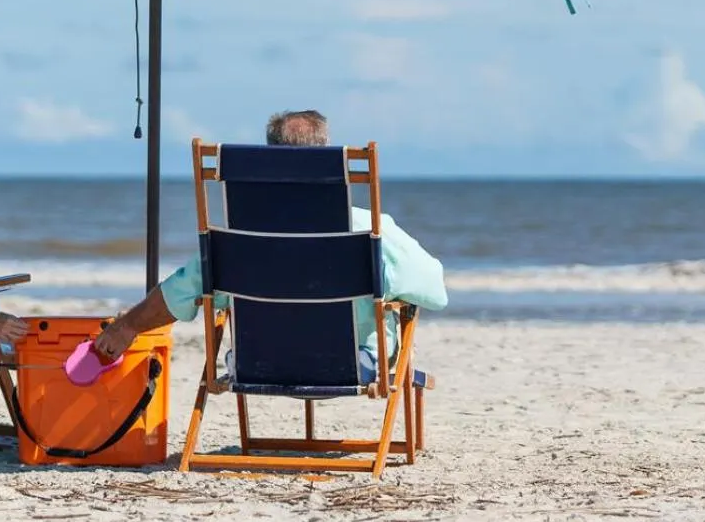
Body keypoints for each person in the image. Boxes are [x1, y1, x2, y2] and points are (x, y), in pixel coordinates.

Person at [93, 110, 447, 373]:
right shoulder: (367, 228)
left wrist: (127, 327)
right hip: (351, 364)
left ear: (270, 159)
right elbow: (434, 290)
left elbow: (179, 291)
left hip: (255, 363)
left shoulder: (240, 238)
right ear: (325, 157)